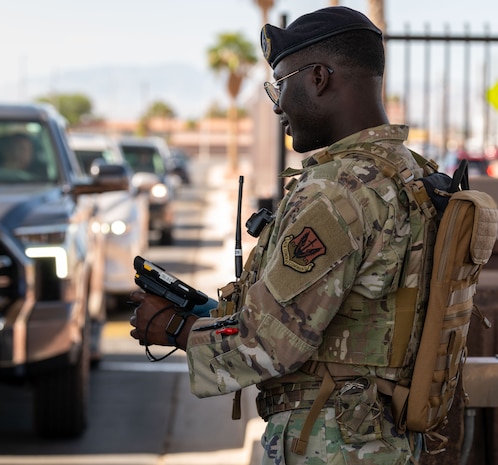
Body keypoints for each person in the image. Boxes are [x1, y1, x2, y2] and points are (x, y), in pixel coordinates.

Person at [130, 6, 428, 464]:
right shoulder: (408, 174)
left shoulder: (336, 193)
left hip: (330, 444)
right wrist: (213, 315)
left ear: (319, 78)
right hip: (379, 439)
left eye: (280, 84)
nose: (277, 105)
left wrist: (173, 326)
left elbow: (268, 343)